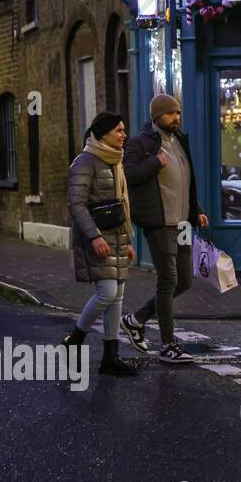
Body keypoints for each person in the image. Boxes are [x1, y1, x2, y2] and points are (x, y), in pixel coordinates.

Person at [120, 93, 209, 363]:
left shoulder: (180, 140)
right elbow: (128, 176)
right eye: (171, 113)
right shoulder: (140, 143)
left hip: (182, 222)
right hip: (159, 222)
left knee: (184, 281)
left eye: (178, 113)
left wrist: (197, 210)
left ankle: (136, 320)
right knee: (168, 279)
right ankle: (169, 346)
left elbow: (186, 181)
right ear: (157, 116)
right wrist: (154, 163)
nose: (176, 118)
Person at [62, 112, 137, 376]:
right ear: (103, 133)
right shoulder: (85, 162)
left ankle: (110, 357)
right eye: (118, 130)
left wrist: (127, 240)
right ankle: (74, 340)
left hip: (117, 238)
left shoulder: (116, 161)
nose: (123, 135)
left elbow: (121, 205)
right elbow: (77, 204)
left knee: (117, 298)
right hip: (96, 238)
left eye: (123, 130)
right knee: (106, 293)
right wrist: (94, 236)